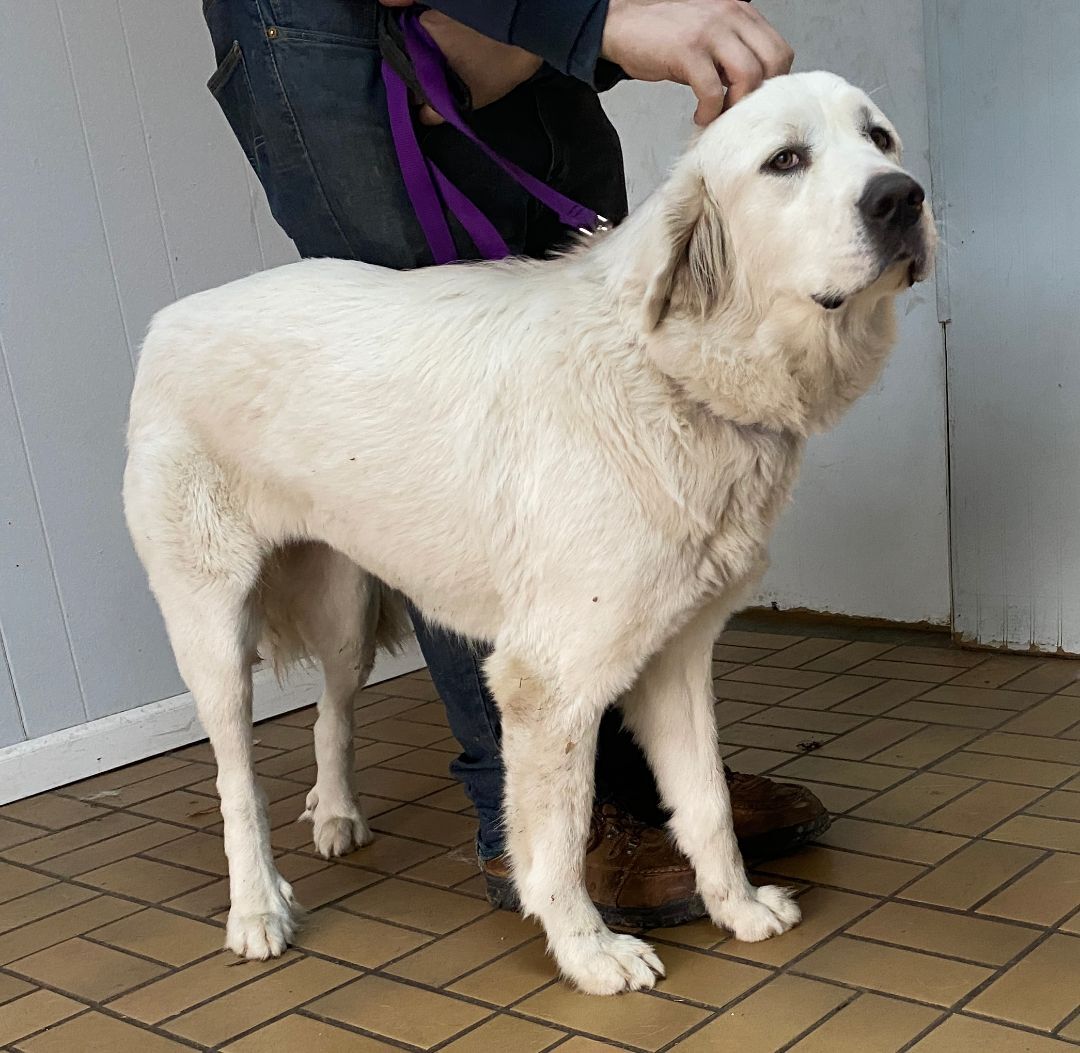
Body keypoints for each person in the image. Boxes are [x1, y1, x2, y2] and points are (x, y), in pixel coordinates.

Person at [201, 0, 828, 930]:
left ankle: (639, 783)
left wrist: (584, 30)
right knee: (451, 436)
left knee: (593, 363)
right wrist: (594, 18)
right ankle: (532, 821)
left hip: (524, 45)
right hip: (341, 40)